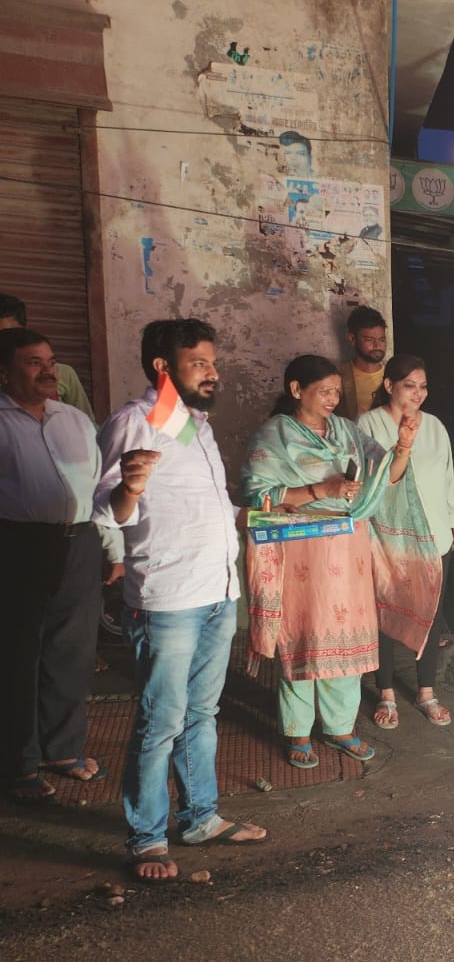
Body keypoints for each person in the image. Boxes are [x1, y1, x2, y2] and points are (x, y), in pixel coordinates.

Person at [94, 319, 266, 880]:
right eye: (199, 363)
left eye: (213, 362)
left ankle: (199, 817)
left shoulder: (194, 426)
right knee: (159, 719)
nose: (213, 372)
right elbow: (104, 513)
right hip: (167, 596)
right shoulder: (133, 422)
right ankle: (146, 838)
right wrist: (129, 487)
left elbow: (210, 503)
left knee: (201, 713)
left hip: (217, 591)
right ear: (163, 368)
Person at [241, 355, 439, 767]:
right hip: (301, 549)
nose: (333, 398)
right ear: (297, 390)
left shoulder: (347, 432)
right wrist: (319, 490)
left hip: (348, 552)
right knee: (302, 636)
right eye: (325, 391)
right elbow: (258, 497)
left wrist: (403, 444)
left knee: (346, 638)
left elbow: (387, 476)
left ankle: (340, 728)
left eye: (337, 391)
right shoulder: (272, 436)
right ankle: (298, 732)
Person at [357, 354, 454, 728]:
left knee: (431, 616)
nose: (418, 394)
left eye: (423, 386)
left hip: (434, 539)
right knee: (386, 614)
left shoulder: (434, 427)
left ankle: (426, 691)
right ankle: (385, 692)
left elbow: (447, 484)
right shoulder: (368, 424)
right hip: (387, 540)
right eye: (409, 385)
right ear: (389, 386)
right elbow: (374, 481)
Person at [0, 328, 106, 800]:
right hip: (18, 543)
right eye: (32, 362)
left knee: (72, 649)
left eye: (50, 360)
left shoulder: (74, 420)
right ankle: (18, 764)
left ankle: (63, 749)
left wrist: (113, 548)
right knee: (19, 654)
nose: (48, 371)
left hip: (80, 541)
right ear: (3, 372)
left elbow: (100, 487)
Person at [0, 292, 95, 424]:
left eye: (11, 334)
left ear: (25, 331)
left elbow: (88, 427)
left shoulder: (62, 373)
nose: (3, 341)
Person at [335, 306, 388, 420]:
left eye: (382, 340)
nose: (377, 346)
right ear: (352, 338)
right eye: (369, 340)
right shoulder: (339, 376)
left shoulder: (394, 373)